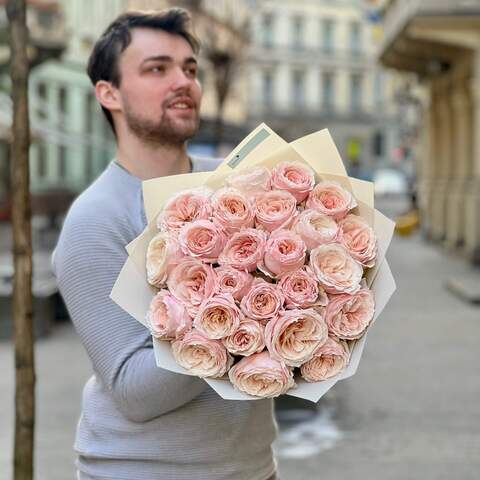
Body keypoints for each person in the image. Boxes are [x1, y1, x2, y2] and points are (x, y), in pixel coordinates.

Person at [52, 9, 278, 480]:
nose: (184, 81)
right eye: (158, 68)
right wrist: (249, 305)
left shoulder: (238, 186)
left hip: (252, 468)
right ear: (108, 93)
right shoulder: (95, 220)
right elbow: (136, 392)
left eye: (189, 69)